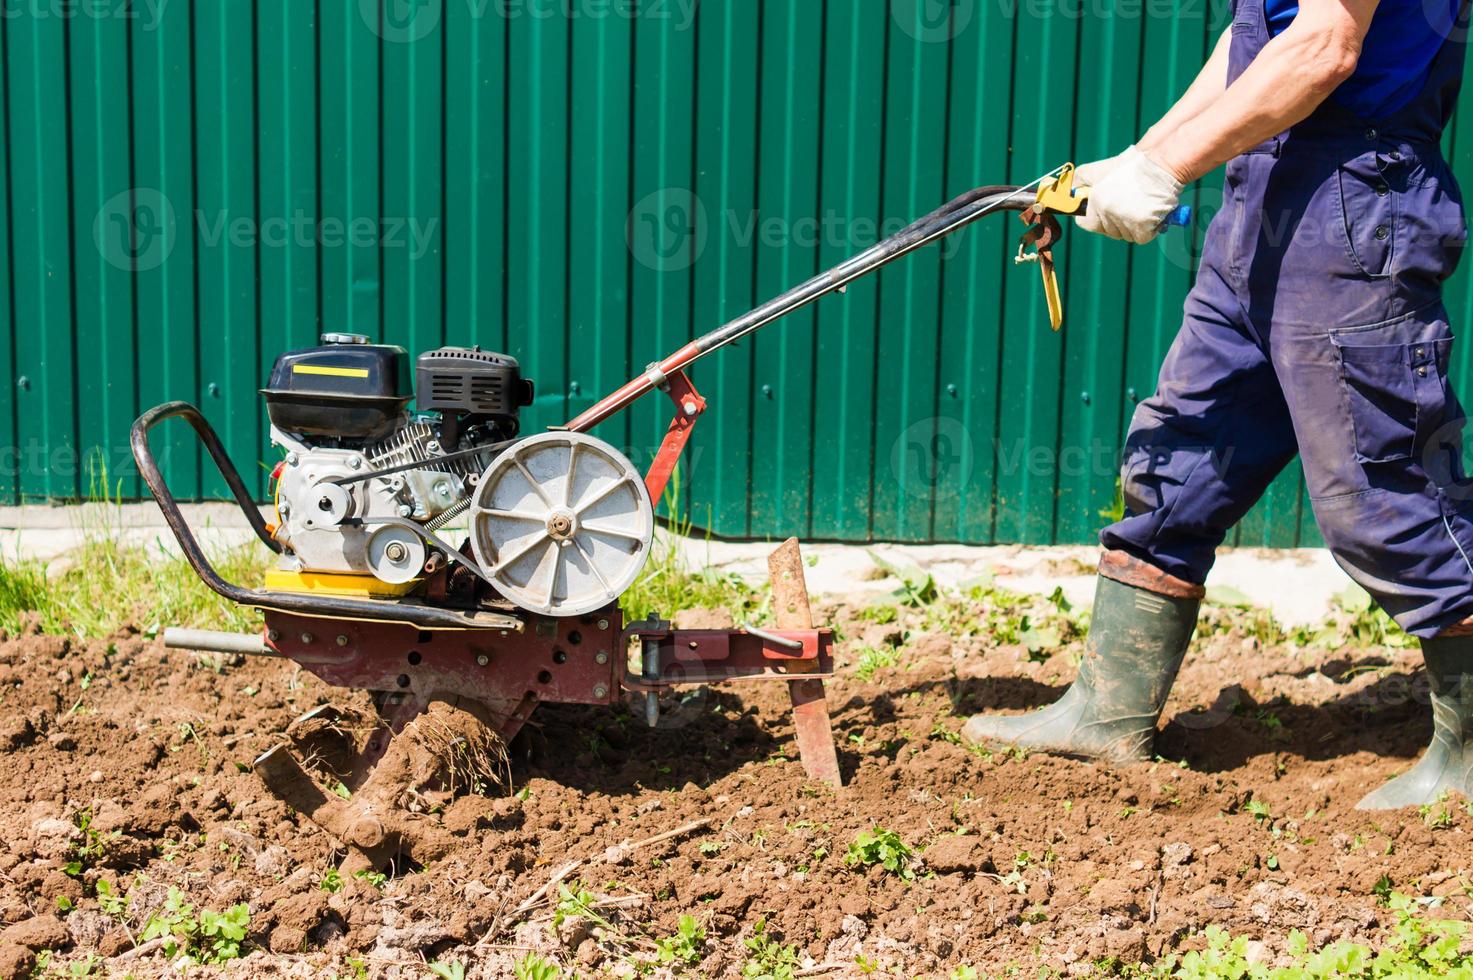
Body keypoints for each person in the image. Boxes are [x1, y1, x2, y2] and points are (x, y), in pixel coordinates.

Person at [963, 0, 1473, 810]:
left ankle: (1467, 761)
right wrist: (1144, 154)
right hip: (1264, 185)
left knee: (1379, 494)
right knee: (1181, 453)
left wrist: (1163, 168)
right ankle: (1106, 710)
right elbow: (1254, 42)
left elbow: (1321, 48)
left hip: (1354, 195)